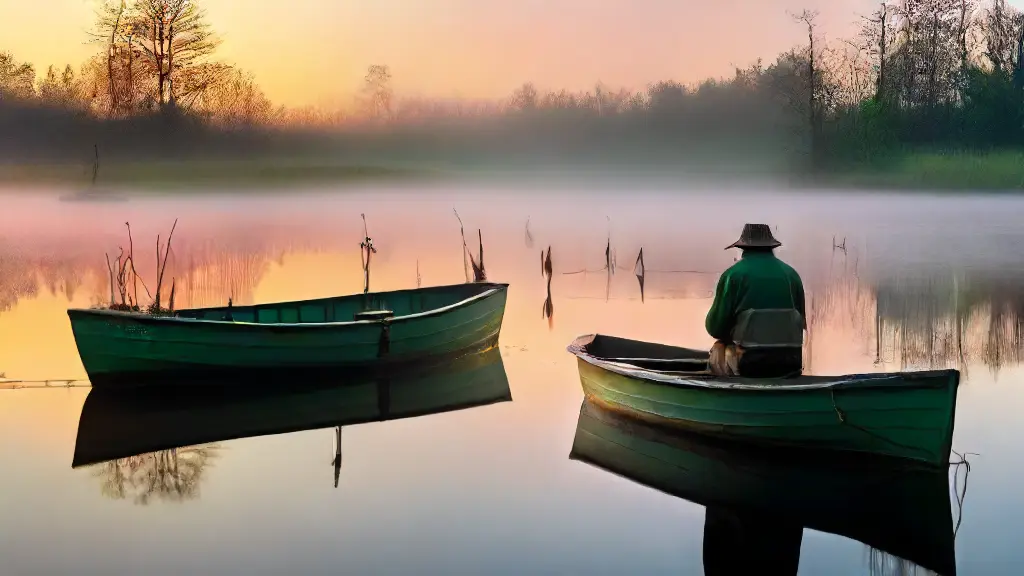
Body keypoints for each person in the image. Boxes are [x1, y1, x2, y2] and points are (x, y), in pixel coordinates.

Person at [705, 224, 805, 377]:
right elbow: (801, 323)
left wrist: (725, 339)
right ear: (771, 247)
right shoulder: (792, 275)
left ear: (743, 248)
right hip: (791, 363)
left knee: (719, 349)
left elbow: (715, 328)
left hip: (750, 365)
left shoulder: (733, 275)